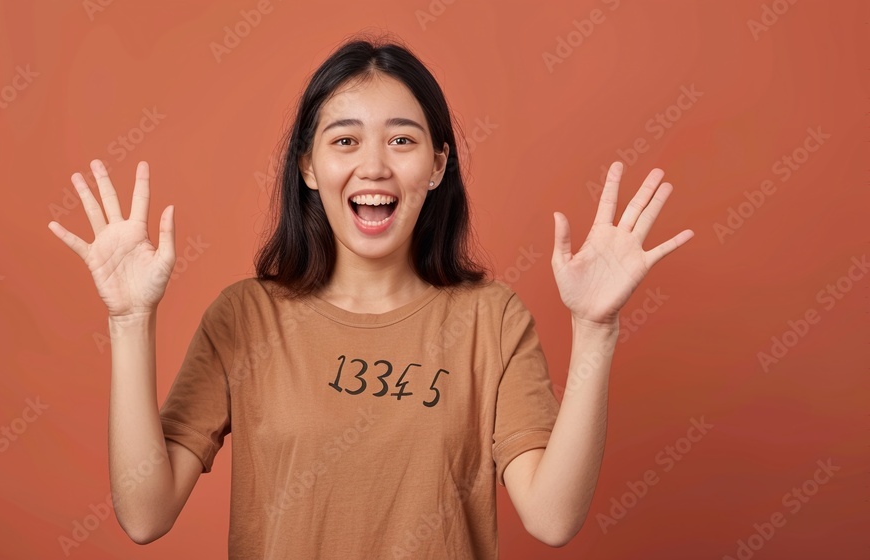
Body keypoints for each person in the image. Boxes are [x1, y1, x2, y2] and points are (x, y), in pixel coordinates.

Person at [47, 34, 693, 559]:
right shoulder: (244, 320)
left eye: (403, 140)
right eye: (345, 140)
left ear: (438, 166)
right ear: (308, 167)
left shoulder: (491, 321)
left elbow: (552, 518)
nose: (375, 166)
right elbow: (144, 513)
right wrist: (129, 319)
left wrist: (597, 329)